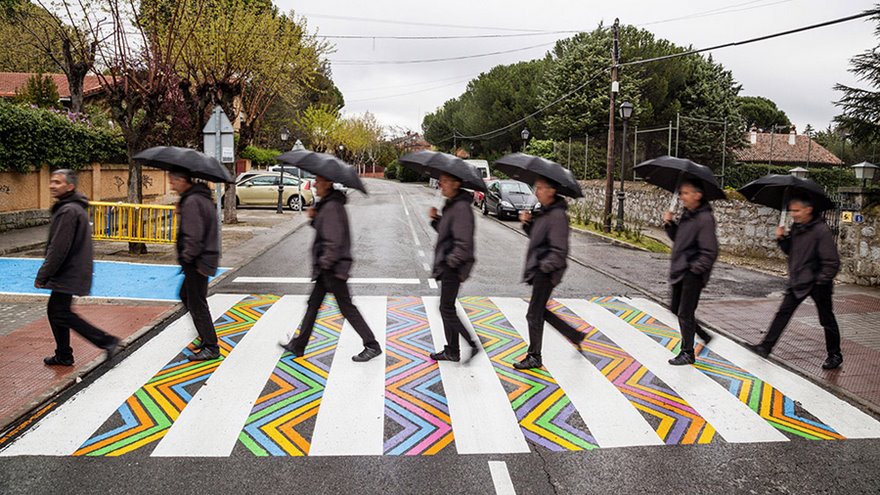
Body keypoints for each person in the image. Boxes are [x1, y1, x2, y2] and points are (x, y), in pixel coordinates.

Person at [282, 175, 382, 362]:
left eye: (318, 182)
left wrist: (325, 263)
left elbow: (333, 241)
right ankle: (298, 344)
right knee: (313, 305)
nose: (314, 185)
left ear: (328, 184)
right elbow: (325, 230)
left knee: (346, 308)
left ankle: (372, 345)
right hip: (327, 267)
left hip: (332, 268)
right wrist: (314, 218)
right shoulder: (328, 205)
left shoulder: (332, 207)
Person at [747, 197, 843, 370]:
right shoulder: (797, 227)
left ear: (808, 209)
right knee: (783, 312)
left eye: (797, 210)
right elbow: (791, 250)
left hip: (818, 284)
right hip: (798, 281)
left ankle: (835, 355)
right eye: (792, 211)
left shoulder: (821, 230)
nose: (793, 214)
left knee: (826, 319)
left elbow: (832, 261)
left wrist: (821, 280)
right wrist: (781, 239)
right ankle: (765, 347)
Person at [35, 169, 119, 366]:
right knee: (56, 310)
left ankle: (106, 341)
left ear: (70, 186)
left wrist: (43, 275)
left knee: (60, 312)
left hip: (68, 270)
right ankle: (64, 354)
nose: (52, 185)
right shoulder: (70, 207)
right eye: (51, 181)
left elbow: (58, 248)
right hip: (71, 269)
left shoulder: (68, 211)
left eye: (57, 182)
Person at [514, 178, 584, 370]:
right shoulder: (546, 213)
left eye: (541, 188)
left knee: (533, 314)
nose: (537, 192)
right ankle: (574, 335)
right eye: (536, 188)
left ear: (552, 191)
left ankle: (534, 356)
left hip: (547, 271)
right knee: (539, 311)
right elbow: (539, 239)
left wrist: (543, 268)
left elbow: (559, 250)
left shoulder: (557, 216)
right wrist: (528, 224)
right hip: (542, 269)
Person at [662, 180, 718, 366]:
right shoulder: (689, 214)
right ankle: (702, 334)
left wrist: (694, 270)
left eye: (685, 193)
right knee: (675, 309)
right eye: (681, 193)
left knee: (684, 313)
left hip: (692, 274)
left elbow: (710, 251)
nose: (681, 197)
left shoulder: (705, 218)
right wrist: (670, 224)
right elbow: (679, 239)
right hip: (681, 269)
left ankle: (687, 353)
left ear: (697, 195)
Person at [169, 170, 220, 361]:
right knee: (187, 296)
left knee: (197, 303)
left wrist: (187, 257)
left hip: (197, 261)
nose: (171, 186)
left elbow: (194, 236)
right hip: (203, 258)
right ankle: (206, 337)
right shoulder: (199, 198)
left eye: (173, 181)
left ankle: (211, 346)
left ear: (183, 180)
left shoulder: (192, 201)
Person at [428, 173, 480, 362]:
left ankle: (472, 344)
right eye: (440, 181)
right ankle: (452, 350)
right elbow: (448, 232)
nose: (441, 184)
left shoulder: (461, 208)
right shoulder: (453, 206)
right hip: (449, 263)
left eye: (445, 181)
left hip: (454, 264)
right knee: (446, 307)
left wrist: (451, 262)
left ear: (457, 184)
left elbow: (463, 241)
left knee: (446, 308)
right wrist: (436, 220)